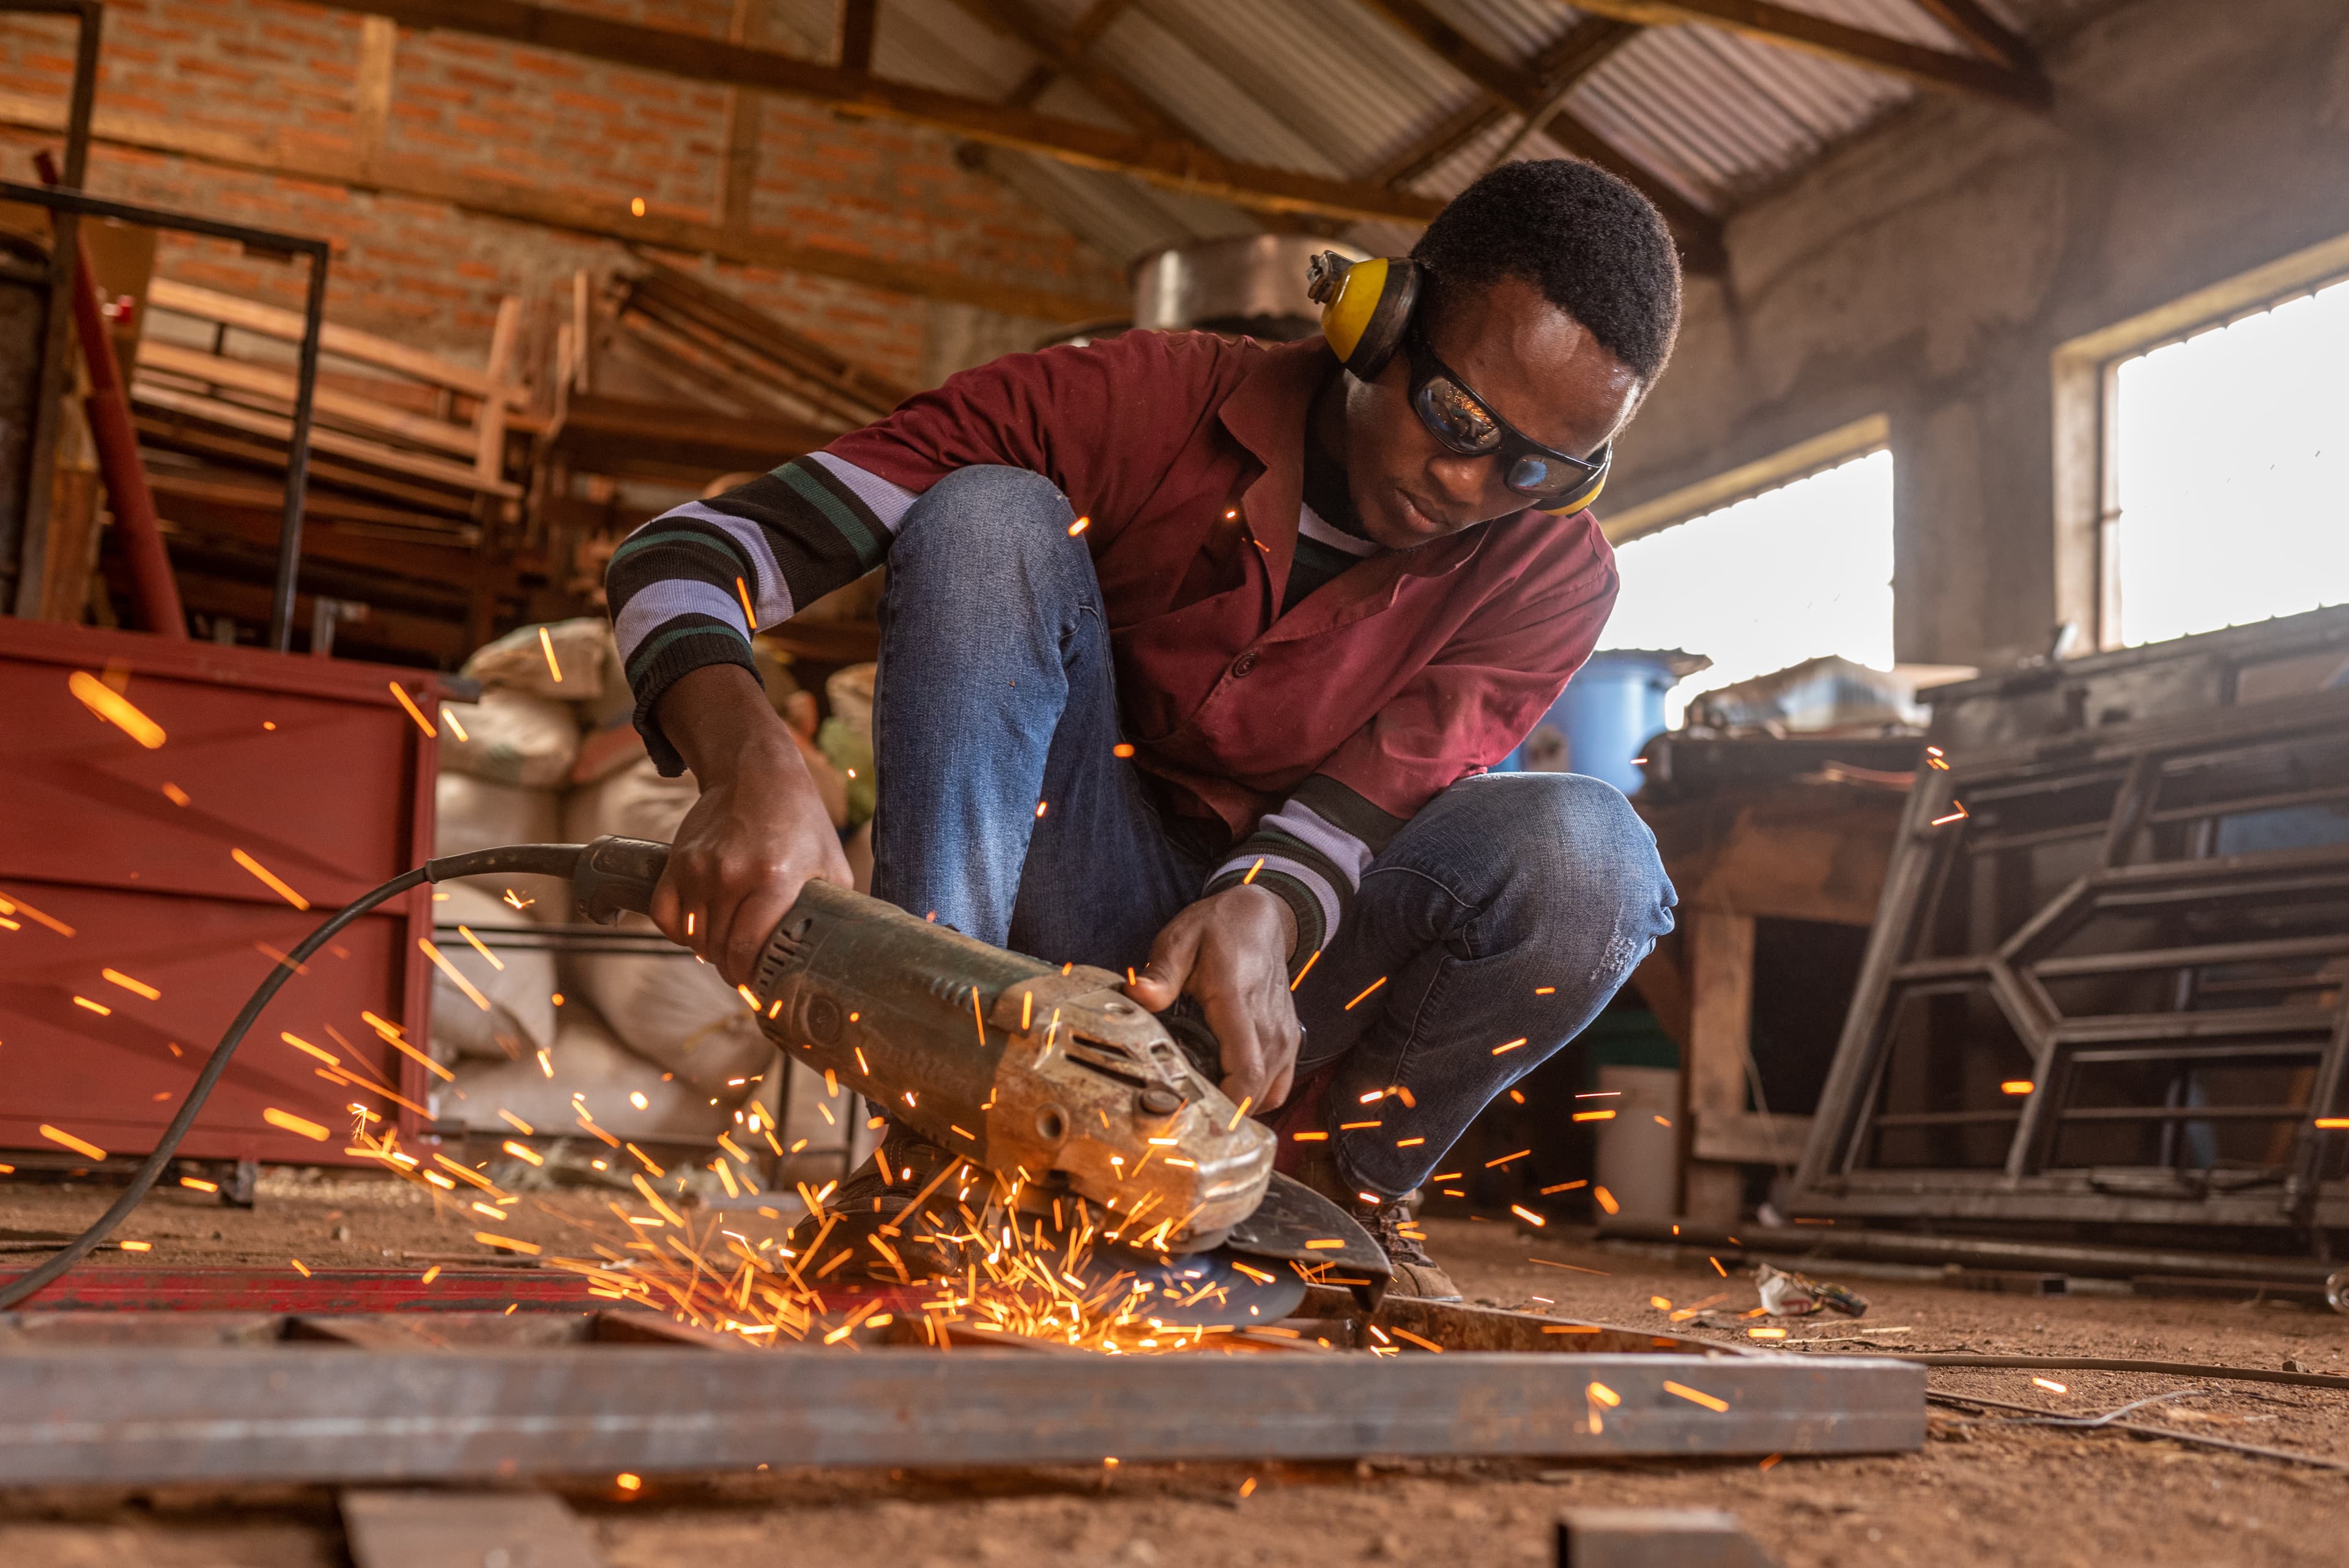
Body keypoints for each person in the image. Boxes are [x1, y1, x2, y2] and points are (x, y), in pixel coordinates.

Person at [604, 159, 1682, 1299]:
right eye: (1456, 417)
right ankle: (947, 1143)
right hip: (1053, 918)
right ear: (1381, 321)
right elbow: (677, 557)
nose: (1470, 484)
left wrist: (1264, 901)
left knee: (1592, 856)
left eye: (1535, 469)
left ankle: (1326, 1208)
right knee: (987, 519)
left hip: (1277, 989)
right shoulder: (1130, 400)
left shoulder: (1551, 571)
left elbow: (1376, 798)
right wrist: (750, 761)